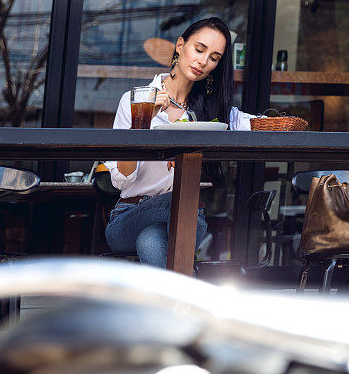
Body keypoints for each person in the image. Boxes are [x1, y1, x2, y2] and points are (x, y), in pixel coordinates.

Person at [104, 17, 253, 267]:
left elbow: (258, 125)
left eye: (214, 58)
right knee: (182, 200)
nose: (203, 62)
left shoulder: (212, 112)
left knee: (151, 240)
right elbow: (120, 179)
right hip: (128, 216)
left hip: (181, 222)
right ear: (180, 45)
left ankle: (167, 306)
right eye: (199, 49)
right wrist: (144, 121)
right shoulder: (136, 100)